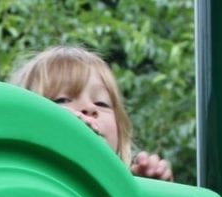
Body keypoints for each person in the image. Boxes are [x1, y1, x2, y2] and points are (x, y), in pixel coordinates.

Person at [9, 45, 174, 181]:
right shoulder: (16, 179)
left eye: (101, 103)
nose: (89, 108)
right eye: (63, 100)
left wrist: (148, 190)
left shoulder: (125, 189)